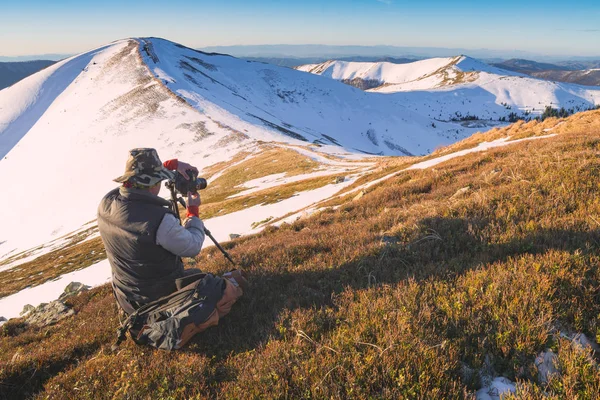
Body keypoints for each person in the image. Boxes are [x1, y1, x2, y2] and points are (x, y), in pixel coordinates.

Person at [98, 148, 246, 350]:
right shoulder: (158, 221)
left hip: (126, 296)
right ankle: (170, 325)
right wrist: (193, 212)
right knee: (218, 288)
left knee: (193, 275)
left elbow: (136, 182)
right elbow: (192, 246)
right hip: (155, 296)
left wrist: (172, 165)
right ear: (153, 184)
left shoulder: (107, 203)